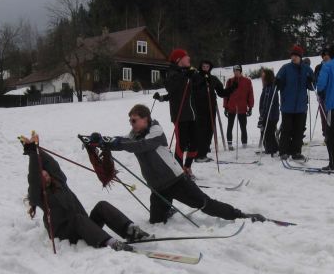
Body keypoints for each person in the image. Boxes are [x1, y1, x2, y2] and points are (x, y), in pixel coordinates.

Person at [95, 104, 266, 224]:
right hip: (158, 187)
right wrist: (101, 141)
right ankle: (168, 208)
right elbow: (121, 140)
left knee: (205, 204)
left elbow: (140, 146)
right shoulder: (134, 134)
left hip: (176, 181)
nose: (131, 124)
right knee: (156, 221)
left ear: (146, 119)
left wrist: (114, 144)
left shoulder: (156, 131)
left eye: (134, 120)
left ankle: (239, 215)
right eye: (130, 121)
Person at [19, 132, 151, 251]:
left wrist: (37, 149)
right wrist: (32, 154)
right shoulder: (38, 196)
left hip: (84, 226)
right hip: (66, 233)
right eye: (42, 176)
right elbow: (34, 179)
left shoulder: (59, 182)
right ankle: (110, 244)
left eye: (46, 173)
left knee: (101, 206)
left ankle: (130, 231)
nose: (46, 175)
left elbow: (52, 165)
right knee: (78, 219)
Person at [153, 48, 198, 176]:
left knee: (195, 143)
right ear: (179, 60)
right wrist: (185, 76)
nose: (189, 58)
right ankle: (178, 171)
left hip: (192, 114)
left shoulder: (188, 71)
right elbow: (172, 88)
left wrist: (196, 76)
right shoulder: (171, 73)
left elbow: (198, 85)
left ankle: (187, 167)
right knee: (181, 144)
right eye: (186, 56)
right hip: (180, 115)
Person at [275, 44, 314, 160]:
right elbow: (277, 84)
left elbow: (312, 87)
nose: (294, 57)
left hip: (301, 106)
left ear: (300, 57)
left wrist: (311, 80)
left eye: (296, 55)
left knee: (299, 130)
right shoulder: (285, 68)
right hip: (288, 106)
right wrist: (277, 82)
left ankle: (296, 152)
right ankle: (283, 151)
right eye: (292, 55)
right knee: (286, 130)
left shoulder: (307, 69)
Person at [193, 59, 226, 162]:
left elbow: (221, 92)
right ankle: (199, 155)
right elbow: (193, 90)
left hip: (211, 109)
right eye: (204, 67)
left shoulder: (213, 79)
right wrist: (202, 83)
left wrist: (232, 89)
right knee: (201, 131)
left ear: (210, 68)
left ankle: (203, 153)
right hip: (199, 109)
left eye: (207, 67)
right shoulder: (196, 77)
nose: (205, 69)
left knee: (209, 131)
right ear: (200, 67)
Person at [223, 65, 254, 149]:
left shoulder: (247, 81)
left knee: (243, 126)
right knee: (230, 126)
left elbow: (250, 94)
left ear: (240, 71)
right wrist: (225, 107)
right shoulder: (230, 81)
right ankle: (230, 144)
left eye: (238, 70)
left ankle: (244, 143)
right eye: (235, 70)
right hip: (231, 107)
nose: (236, 72)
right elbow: (226, 95)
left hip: (242, 107)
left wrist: (250, 107)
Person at [257, 67, 280, 156]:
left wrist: (262, 117)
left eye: (263, 77)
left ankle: (271, 149)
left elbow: (266, 104)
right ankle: (273, 148)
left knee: (267, 132)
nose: (262, 79)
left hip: (270, 115)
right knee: (269, 132)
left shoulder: (269, 89)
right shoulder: (268, 87)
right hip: (272, 115)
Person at [313, 48, 330, 141]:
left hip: (332, 94)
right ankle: (326, 133)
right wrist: (315, 85)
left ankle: (333, 133)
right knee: (324, 115)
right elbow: (315, 79)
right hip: (322, 95)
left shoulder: (333, 65)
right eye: (324, 55)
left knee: (333, 115)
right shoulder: (318, 67)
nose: (326, 57)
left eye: (327, 55)